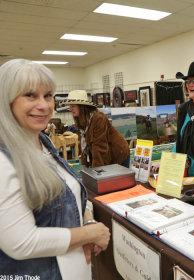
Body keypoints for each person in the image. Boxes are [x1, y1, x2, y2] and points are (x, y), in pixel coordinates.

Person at [0, 59, 110, 279]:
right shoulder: (4, 158)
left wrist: (86, 218)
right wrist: (89, 232)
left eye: (48, 95)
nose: (44, 105)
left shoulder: (42, 141)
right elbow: (21, 242)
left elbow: (68, 195)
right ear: (6, 101)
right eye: (30, 95)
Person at [63, 90, 130, 168]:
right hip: (107, 156)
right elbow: (84, 143)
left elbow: (99, 148)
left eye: (73, 106)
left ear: (81, 107)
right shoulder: (82, 120)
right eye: (70, 106)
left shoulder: (98, 118)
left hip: (118, 156)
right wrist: (85, 164)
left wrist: (96, 172)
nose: (70, 109)